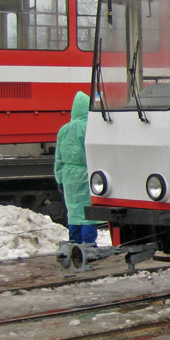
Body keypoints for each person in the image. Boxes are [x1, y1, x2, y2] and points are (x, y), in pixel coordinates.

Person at [54, 90, 100, 245]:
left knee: (73, 210)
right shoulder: (89, 128)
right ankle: (88, 245)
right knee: (87, 211)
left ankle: (75, 242)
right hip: (85, 172)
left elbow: (58, 158)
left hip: (68, 174)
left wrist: (60, 178)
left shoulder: (64, 129)